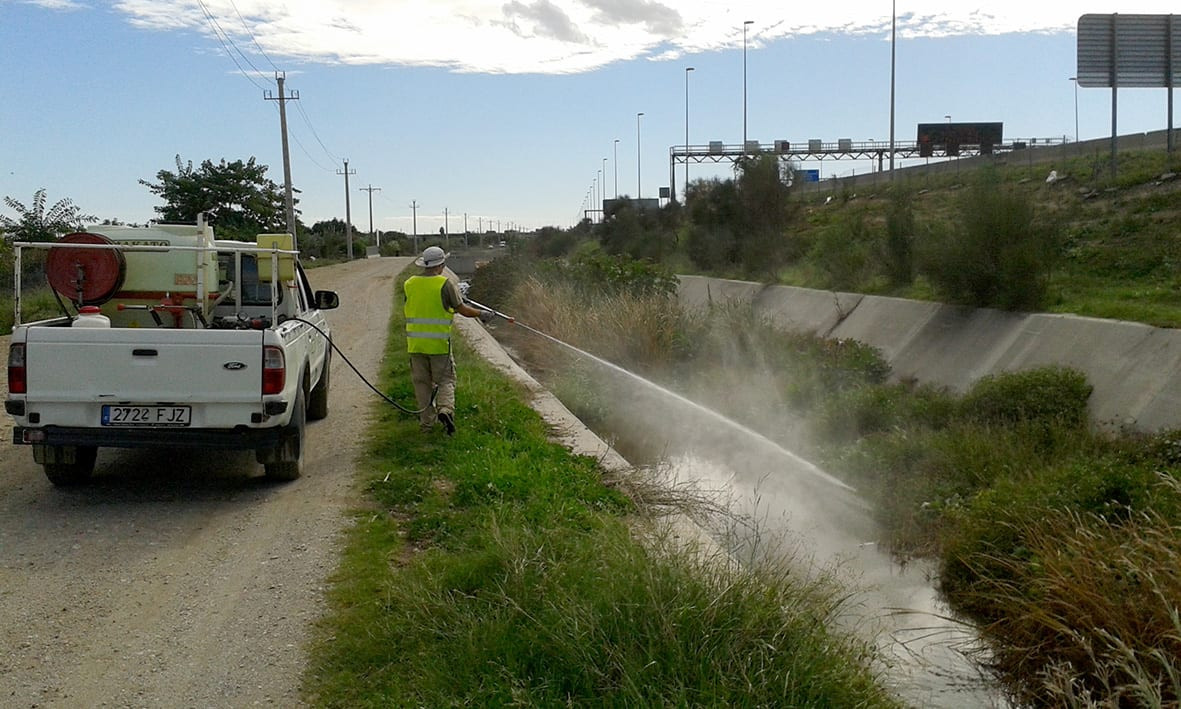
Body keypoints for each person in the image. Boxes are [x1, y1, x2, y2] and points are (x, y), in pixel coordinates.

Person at [403, 245, 497, 435]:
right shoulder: (444, 284)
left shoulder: (409, 283)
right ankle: (445, 410)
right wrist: (483, 314)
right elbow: (461, 309)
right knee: (445, 380)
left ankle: (426, 425)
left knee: (422, 384)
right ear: (442, 264)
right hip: (438, 344)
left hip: (415, 345)